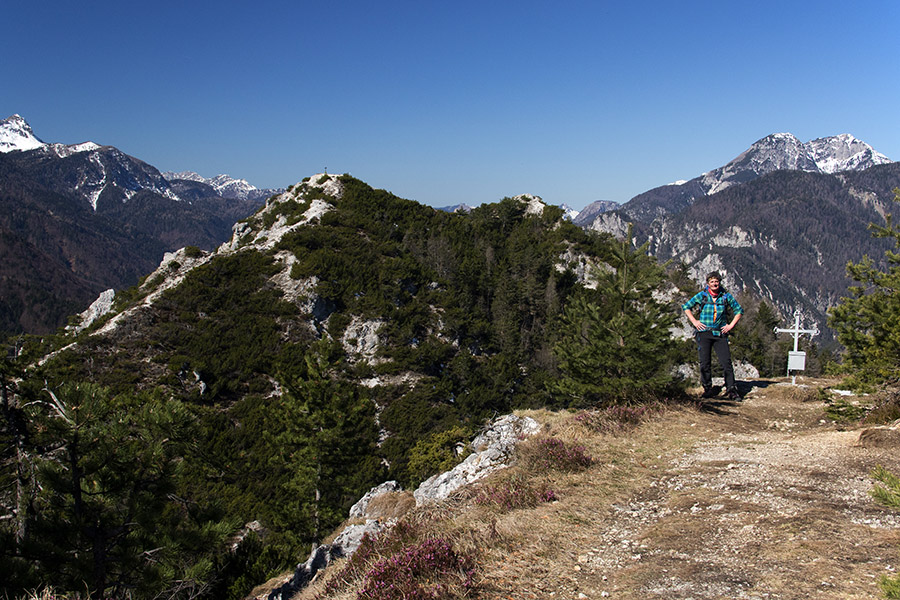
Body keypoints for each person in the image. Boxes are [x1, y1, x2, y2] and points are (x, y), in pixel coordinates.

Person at [682, 271, 744, 400]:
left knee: (726, 362)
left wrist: (730, 326)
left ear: (719, 282)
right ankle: (707, 389)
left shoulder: (726, 297)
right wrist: (695, 322)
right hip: (704, 333)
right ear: (708, 283)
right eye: (712, 282)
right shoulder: (702, 296)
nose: (714, 284)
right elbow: (686, 306)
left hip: (720, 333)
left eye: (716, 281)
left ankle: (731, 389)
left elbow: (739, 310)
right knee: (705, 362)